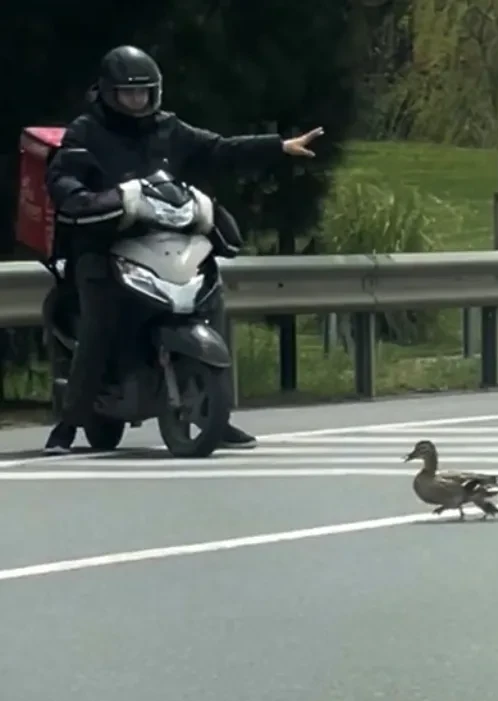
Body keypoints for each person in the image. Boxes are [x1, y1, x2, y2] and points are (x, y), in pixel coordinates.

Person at [41, 45, 325, 455]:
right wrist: (84, 198)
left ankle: (216, 415)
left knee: (211, 303)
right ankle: (67, 427)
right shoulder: (87, 132)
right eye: (127, 93)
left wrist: (278, 147)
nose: (137, 101)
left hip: (166, 241)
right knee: (101, 321)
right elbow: (63, 178)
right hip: (104, 244)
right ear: (107, 93)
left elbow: (219, 148)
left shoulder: (168, 128)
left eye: (144, 93)